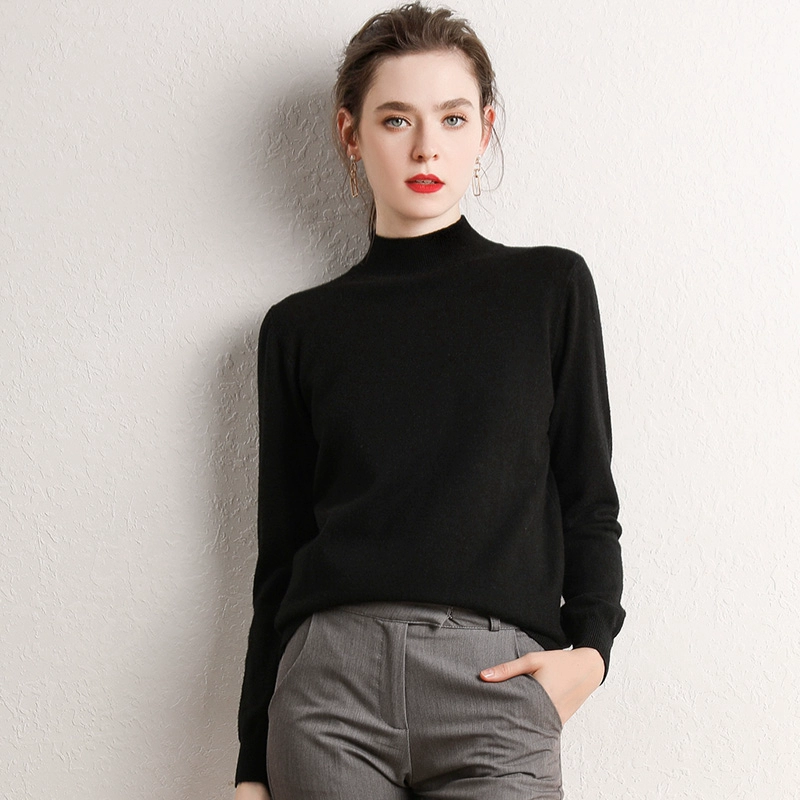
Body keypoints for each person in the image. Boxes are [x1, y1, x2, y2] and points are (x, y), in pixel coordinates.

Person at [233, 3, 625, 799]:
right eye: (395, 119)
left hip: (496, 683)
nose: (425, 147)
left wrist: (590, 651)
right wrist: (250, 767)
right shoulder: (298, 329)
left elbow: (587, 496)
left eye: (451, 118)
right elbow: (280, 556)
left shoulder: (548, 289)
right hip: (329, 694)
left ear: (484, 129)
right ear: (350, 134)